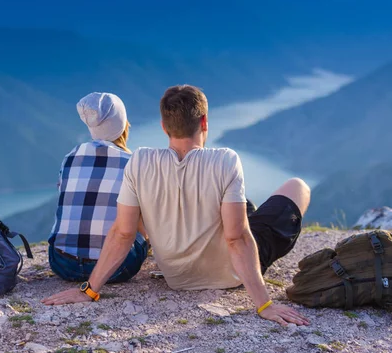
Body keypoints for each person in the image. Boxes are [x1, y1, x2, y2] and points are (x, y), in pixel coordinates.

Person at [43, 85, 311, 326]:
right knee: (297, 187)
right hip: (230, 274)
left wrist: (89, 290)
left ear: (163, 125)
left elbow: (123, 234)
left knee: (245, 206)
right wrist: (264, 304)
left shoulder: (139, 161)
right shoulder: (226, 160)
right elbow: (236, 237)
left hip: (177, 278)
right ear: (204, 121)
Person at [47, 92, 148, 285]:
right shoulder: (133, 163)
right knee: (138, 210)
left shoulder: (71, 156)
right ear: (123, 124)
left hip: (61, 262)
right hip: (118, 268)